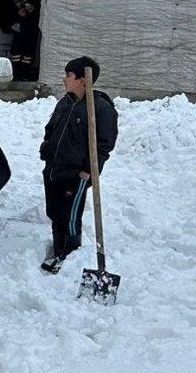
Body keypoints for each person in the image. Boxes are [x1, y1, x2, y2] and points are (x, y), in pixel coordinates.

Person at [38, 56, 118, 274]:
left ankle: (69, 255)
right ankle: (57, 251)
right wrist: (47, 148)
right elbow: (51, 129)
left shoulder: (99, 108)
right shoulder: (65, 103)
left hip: (76, 174)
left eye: (69, 75)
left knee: (70, 216)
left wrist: (89, 171)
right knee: (54, 213)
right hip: (54, 169)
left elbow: (104, 145)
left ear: (83, 80)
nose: (64, 79)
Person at [9, 0, 40, 80]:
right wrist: (15, 18)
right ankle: (15, 74)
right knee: (16, 53)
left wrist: (31, 10)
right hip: (18, 30)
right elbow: (9, 13)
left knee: (27, 54)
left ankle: (24, 74)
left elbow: (36, 13)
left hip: (29, 29)